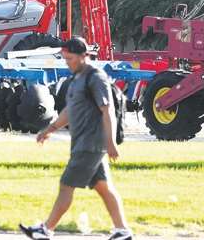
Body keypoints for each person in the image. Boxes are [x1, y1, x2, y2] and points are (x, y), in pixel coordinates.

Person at [19, 37, 133, 240]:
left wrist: (111, 143)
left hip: (90, 144)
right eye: (65, 58)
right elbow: (70, 110)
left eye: (70, 58)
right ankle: (122, 231)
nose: (67, 62)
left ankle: (46, 229)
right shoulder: (76, 79)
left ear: (84, 56)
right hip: (83, 143)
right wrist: (50, 129)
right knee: (103, 187)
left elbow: (107, 111)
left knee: (66, 185)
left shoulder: (95, 78)